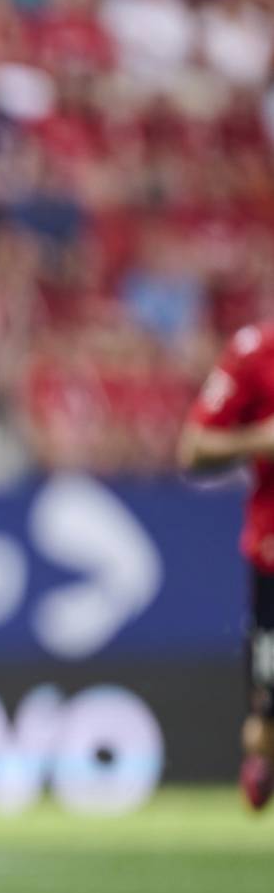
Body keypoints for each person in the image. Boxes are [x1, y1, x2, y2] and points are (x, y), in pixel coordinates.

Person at [179, 318, 274, 810]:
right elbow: (193, 448)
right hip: (272, 561)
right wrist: (261, 439)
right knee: (265, 727)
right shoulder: (255, 352)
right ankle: (263, 760)